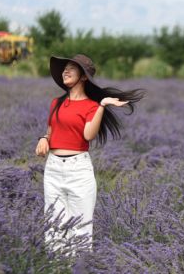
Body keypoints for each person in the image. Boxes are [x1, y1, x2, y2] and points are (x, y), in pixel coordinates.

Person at [35, 54, 144, 251]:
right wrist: (43, 139)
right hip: (53, 169)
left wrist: (101, 106)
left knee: (80, 228)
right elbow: (50, 132)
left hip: (78, 170)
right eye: (64, 68)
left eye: (71, 68)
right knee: (53, 228)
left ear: (83, 77)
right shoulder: (56, 103)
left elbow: (87, 135)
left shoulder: (91, 106)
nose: (65, 71)